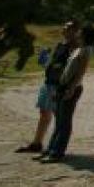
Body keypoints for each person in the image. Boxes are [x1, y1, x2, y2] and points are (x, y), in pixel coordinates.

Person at [15, 21, 76, 154]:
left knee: (59, 117)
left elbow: (72, 67)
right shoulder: (60, 45)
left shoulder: (74, 47)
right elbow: (53, 61)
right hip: (49, 82)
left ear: (75, 31)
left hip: (59, 85)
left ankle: (55, 147)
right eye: (64, 27)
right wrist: (47, 62)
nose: (64, 30)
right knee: (44, 113)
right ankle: (37, 143)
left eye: (67, 28)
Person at [38, 24, 94, 163]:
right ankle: (51, 148)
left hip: (71, 88)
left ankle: (57, 152)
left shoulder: (86, 50)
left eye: (80, 32)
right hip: (62, 86)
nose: (77, 33)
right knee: (59, 121)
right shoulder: (78, 49)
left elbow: (81, 71)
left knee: (64, 122)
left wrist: (72, 88)